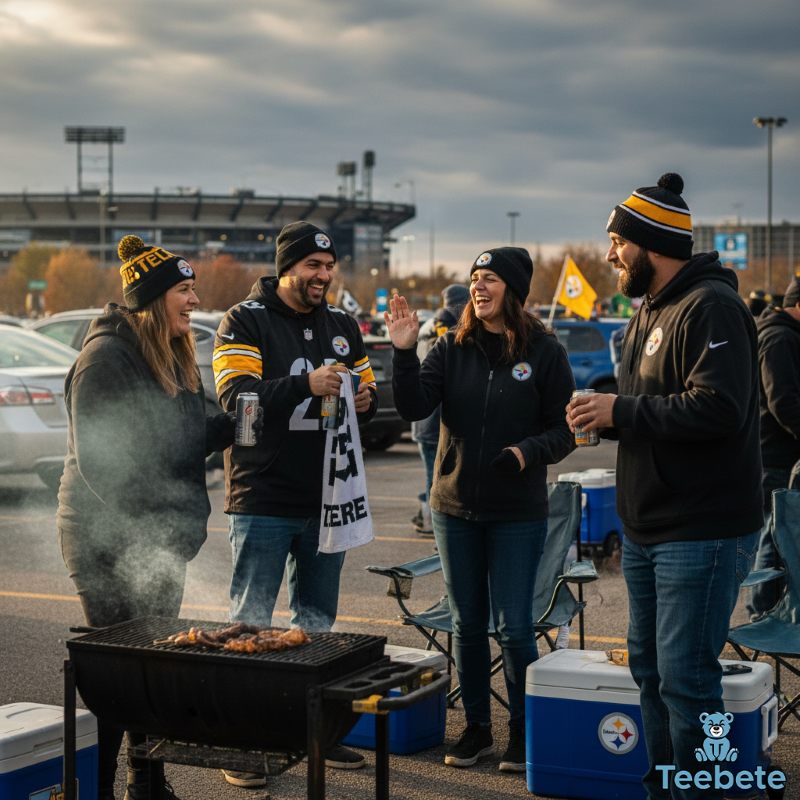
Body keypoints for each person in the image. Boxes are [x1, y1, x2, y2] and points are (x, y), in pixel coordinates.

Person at [566, 173, 762, 800]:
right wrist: (611, 409)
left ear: (651, 242)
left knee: (687, 679)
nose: (608, 255)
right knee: (651, 674)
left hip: (701, 530)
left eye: (616, 241)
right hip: (650, 528)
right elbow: (655, 406)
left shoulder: (712, 305)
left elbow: (718, 408)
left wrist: (618, 412)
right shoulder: (652, 306)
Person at [57, 235, 237, 800]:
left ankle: (148, 781)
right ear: (154, 298)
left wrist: (237, 423)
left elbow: (189, 434)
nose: (194, 301)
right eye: (185, 291)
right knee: (118, 674)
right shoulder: (105, 359)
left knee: (154, 666)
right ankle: (100, 789)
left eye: (194, 290)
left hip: (163, 538)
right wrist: (152, 540)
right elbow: (101, 466)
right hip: (106, 538)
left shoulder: (176, 355)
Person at [385, 247, 575, 773]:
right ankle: (475, 729)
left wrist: (526, 453)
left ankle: (521, 732)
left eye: (489, 279)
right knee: (467, 624)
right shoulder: (451, 347)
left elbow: (566, 431)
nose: (478, 287)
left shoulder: (545, 351)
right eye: (474, 278)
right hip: (454, 508)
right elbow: (413, 407)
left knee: (515, 626)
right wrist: (402, 352)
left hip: (518, 513)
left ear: (512, 290)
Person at [212, 221, 377, 784]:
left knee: (316, 624)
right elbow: (239, 402)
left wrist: (366, 394)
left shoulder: (342, 324)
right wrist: (307, 386)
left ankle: (315, 733)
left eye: (329, 268)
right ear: (287, 267)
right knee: (250, 624)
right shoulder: (244, 320)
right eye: (313, 266)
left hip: (328, 497)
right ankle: (247, 743)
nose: (323, 277)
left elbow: (367, 395)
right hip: (263, 493)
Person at [746, 276, 800, 619]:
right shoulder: (778, 338)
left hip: (781, 454)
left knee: (780, 535)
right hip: (774, 456)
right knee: (774, 536)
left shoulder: (787, 335)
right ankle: (762, 613)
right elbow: (782, 401)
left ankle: (770, 609)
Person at [410, 283, 470, 536]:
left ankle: (427, 519)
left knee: (431, 473)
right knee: (442, 479)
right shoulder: (456, 328)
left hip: (422, 420)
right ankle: (433, 524)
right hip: (441, 418)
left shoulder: (427, 325)